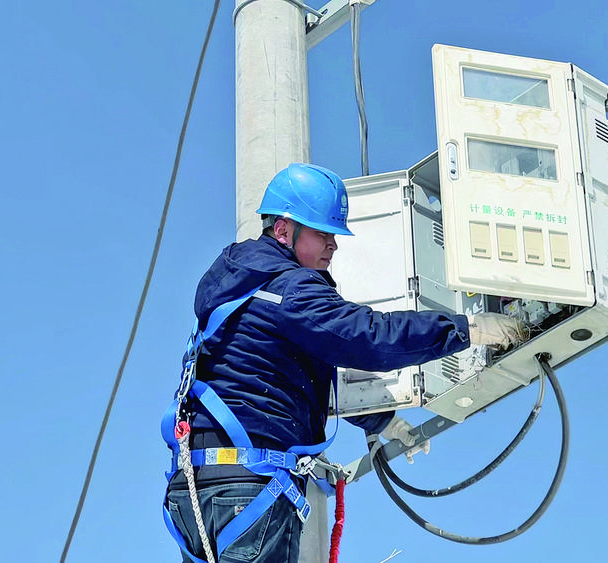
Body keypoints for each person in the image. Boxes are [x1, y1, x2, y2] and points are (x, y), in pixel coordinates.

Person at [163, 163, 526, 563]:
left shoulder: (235, 286)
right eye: (322, 233)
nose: (333, 245)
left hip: (193, 492)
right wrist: (467, 329)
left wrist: (382, 421)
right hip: (249, 489)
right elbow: (368, 337)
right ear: (283, 230)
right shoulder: (292, 289)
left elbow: (283, 377)